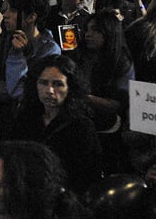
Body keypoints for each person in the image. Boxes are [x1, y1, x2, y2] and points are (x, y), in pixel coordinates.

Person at [9, 55, 100, 194]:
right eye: (43, 83)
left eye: (58, 84)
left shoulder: (81, 126)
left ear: (70, 88)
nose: (49, 91)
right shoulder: (25, 118)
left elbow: (86, 177)